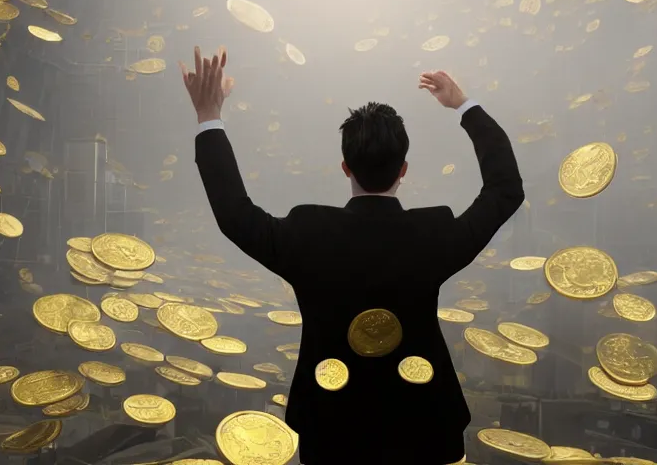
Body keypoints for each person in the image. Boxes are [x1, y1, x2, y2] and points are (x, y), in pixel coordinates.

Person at [181, 46, 524, 465]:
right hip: (425, 428)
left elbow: (234, 214)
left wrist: (208, 117)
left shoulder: (306, 234)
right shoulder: (434, 234)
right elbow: (505, 190)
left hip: (331, 429)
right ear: (403, 170)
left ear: (345, 167)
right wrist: (463, 105)